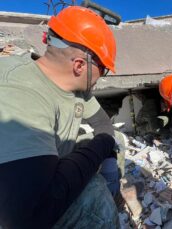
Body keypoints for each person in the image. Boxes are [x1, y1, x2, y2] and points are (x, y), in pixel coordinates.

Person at [0, 6, 121, 229]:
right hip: (18, 209)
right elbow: (27, 215)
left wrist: (110, 159)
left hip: (42, 175)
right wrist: (102, 146)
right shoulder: (18, 90)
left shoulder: (77, 90)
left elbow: (104, 124)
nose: (101, 78)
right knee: (94, 195)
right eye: (103, 70)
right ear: (79, 65)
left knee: (116, 143)